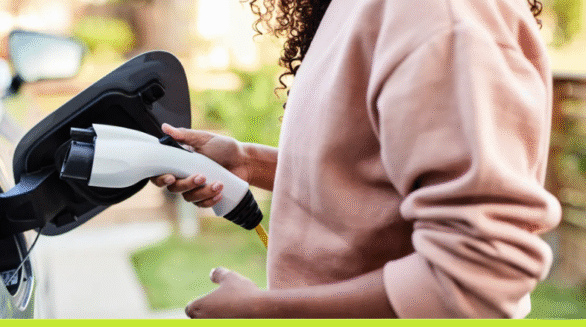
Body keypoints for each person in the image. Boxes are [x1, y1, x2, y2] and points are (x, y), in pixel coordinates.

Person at [151, 0, 561, 318]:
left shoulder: (436, 13)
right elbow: (371, 176)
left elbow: (480, 275)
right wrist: (248, 163)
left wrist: (264, 309)